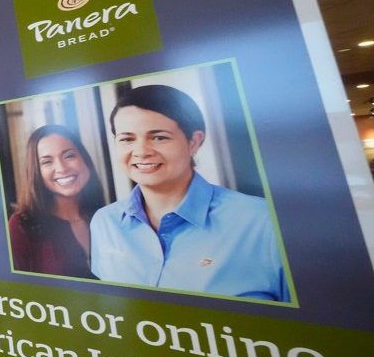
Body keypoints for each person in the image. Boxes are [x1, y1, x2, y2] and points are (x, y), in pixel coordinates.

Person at [89, 85, 289, 301]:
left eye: (159, 137)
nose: (141, 152)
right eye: (127, 139)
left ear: (194, 142)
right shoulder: (105, 222)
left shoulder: (263, 222)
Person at [8, 124, 103, 278]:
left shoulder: (108, 217)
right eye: (47, 162)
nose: (61, 168)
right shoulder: (21, 226)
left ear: (84, 159)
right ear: (36, 172)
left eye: (69, 156)